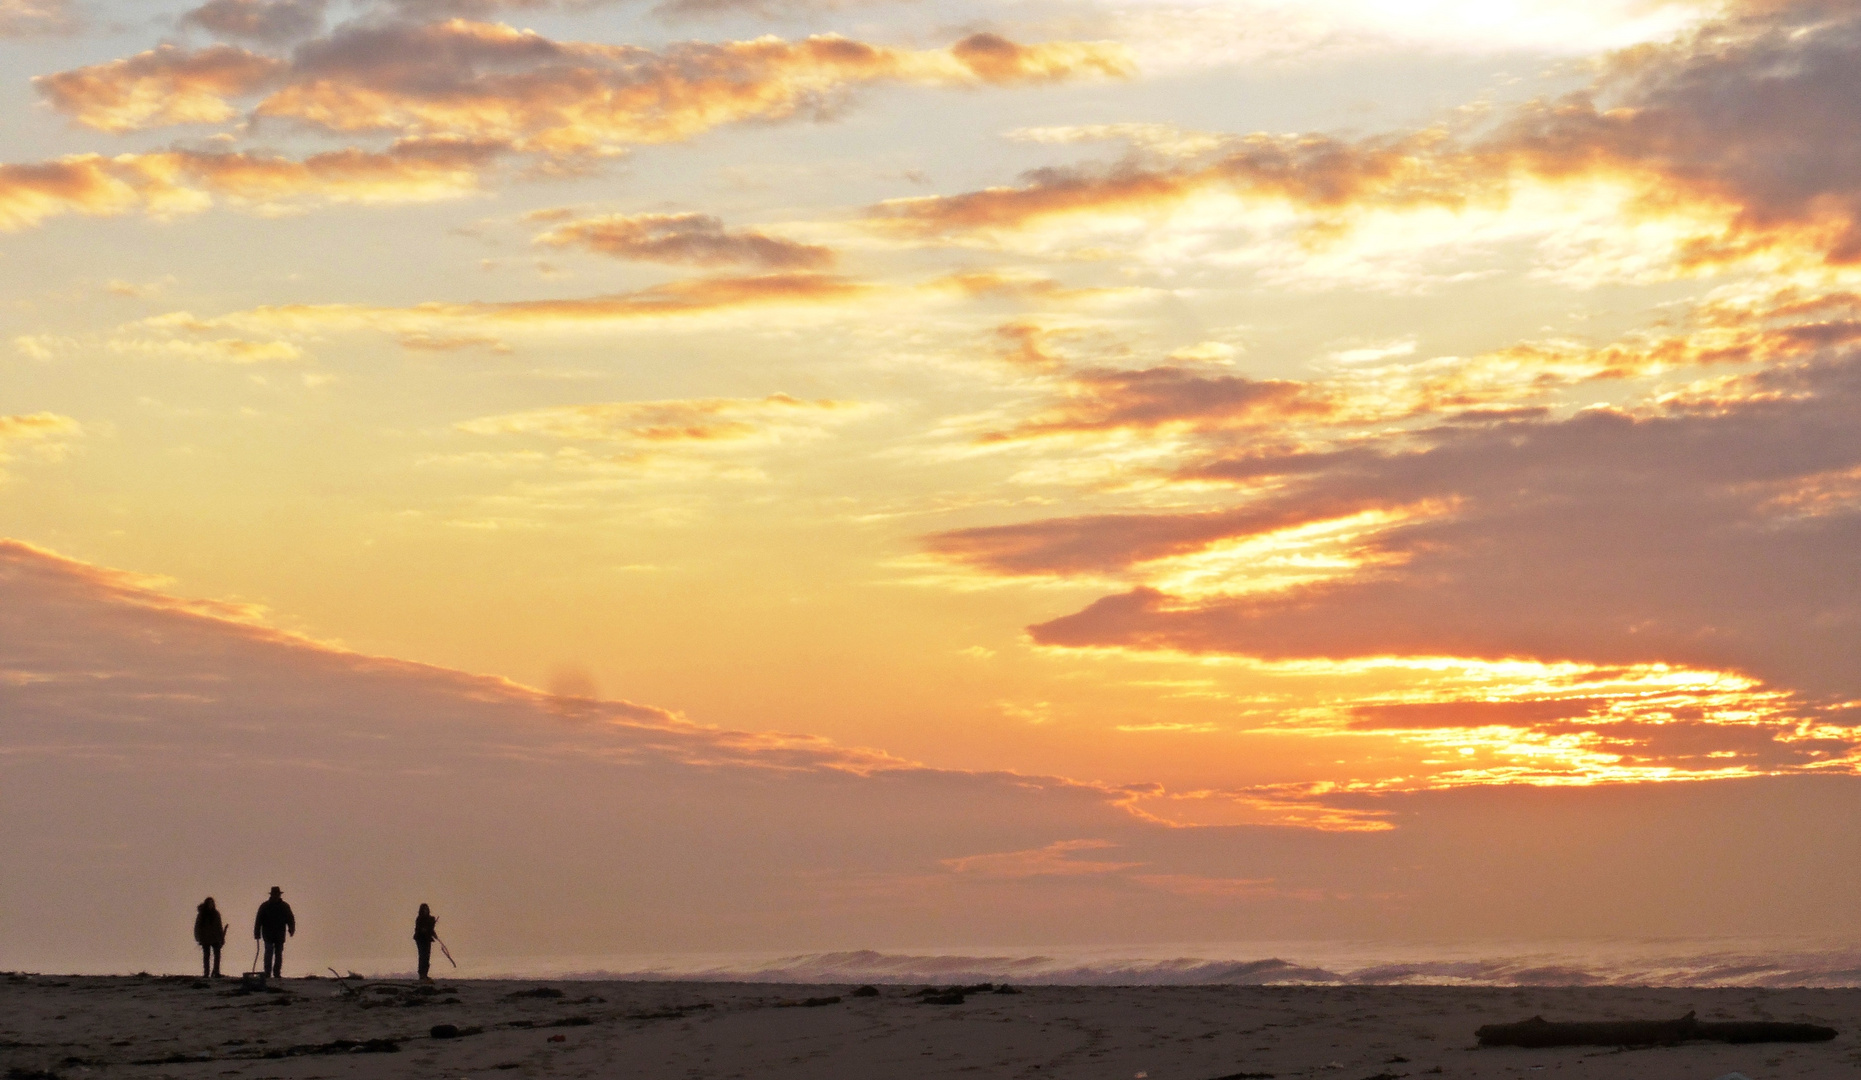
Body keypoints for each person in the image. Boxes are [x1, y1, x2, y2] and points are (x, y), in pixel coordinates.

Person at [253, 886, 295, 978]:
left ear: (279, 895)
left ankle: (277, 973)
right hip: (268, 934)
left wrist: (291, 929)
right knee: (269, 952)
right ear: (271, 895)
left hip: (279, 934)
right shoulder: (264, 906)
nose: (276, 896)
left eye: (277, 894)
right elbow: (258, 920)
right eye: (274, 894)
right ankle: (267, 973)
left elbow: (290, 919)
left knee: (278, 953)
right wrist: (257, 933)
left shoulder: (285, 906)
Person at [193, 898, 227, 978]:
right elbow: (197, 927)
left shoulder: (216, 914)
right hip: (205, 938)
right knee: (206, 956)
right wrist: (198, 937)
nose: (211, 905)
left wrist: (221, 937)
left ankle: (216, 972)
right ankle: (206, 973)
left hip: (215, 938)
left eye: (212, 903)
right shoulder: (202, 915)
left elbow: (219, 926)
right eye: (209, 903)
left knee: (217, 955)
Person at [413, 904, 438, 982]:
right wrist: (423, 930)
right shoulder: (419, 919)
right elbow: (417, 929)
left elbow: (431, 929)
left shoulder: (430, 919)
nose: (425, 911)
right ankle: (421, 974)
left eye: (426, 909)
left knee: (427, 956)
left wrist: (434, 934)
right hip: (420, 939)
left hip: (427, 939)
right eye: (424, 909)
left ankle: (425, 974)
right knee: (422, 956)